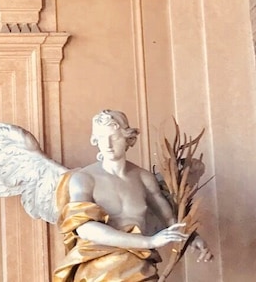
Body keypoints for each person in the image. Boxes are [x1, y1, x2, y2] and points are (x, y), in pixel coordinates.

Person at [53, 110, 212, 282]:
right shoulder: (84, 178)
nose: (107, 144)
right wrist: (149, 242)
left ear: (128, 139)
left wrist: (190, 237)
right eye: (101, 137)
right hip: (99, 269)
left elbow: (169, 218)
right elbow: (85, 228)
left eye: (114, 137)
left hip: (139, 267)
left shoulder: (144, 178)